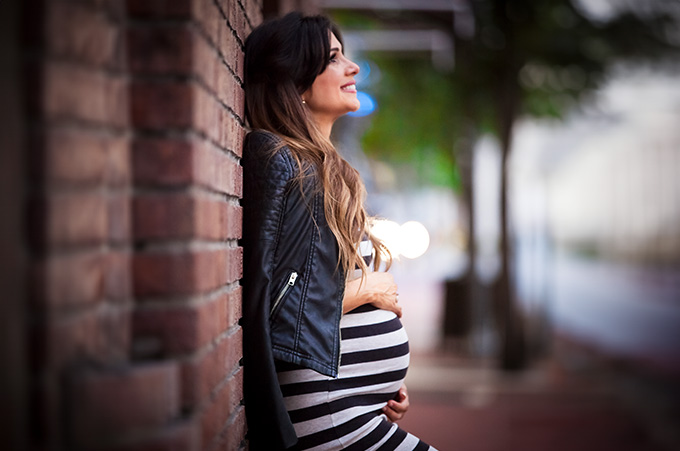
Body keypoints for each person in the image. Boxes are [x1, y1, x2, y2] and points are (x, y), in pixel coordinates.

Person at [241, 11, 437, 451]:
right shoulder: (284, 163)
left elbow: (314, 296)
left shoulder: (325, 172)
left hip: (346, 405)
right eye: (333, 58)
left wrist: (373, 387)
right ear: (295, 79)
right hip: (325, 413)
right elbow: (276, 312)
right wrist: (368, 287)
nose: (352, 68)